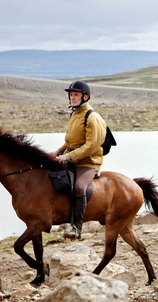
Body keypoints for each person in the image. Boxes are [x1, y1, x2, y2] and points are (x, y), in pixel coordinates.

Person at [52, 80, 107, 239]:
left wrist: (68, 156)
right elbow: (70, 142)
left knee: (79, 188)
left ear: (85, 97)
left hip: (88, 162)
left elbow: (91, 146)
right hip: (73, 159)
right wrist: (57, 152)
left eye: (76, 95)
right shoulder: (74, 114)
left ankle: (76, 227)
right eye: (71, 95)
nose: (72, 98)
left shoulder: (92, 117)